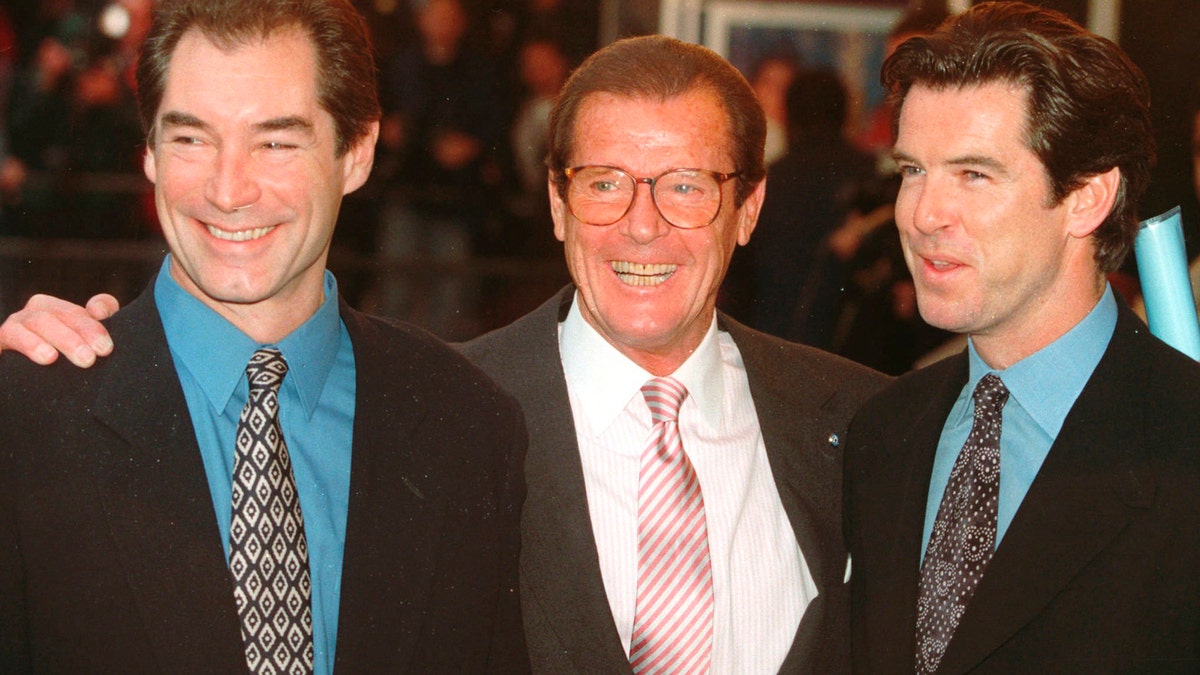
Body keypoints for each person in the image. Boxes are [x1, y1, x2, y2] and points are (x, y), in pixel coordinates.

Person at [1, 34, 886, 673]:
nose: (231, 186)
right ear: (555, 202)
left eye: (686, 186)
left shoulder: (871, 428)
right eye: (603, 183)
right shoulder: (33, 408)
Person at [0, 0, 528, 672]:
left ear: (357, 153)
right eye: (191, 138)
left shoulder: (468, 425)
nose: (228, 188)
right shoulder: (25, 419)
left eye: (276, 141)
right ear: (150, 153)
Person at [842, 3, 1200, 673]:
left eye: (973, 175)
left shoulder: (1184, 441)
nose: (922, 214)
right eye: (913, 170)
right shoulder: (882, 432)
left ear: (1088, 197)